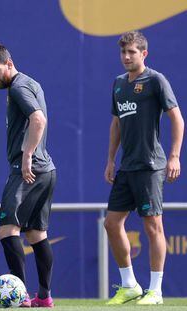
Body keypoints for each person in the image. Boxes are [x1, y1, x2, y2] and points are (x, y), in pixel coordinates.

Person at [104, 31, 184, 305]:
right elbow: (116, 124)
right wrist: (111, 159)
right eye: (123, 52)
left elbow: (177, 119)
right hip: (126, 167)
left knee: (153, 227)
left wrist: (174, 156)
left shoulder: (155, 80)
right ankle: (129, 286)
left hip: (150, 165)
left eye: (132, 52)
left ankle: (156, 291)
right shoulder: (117, 84)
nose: (126, 57)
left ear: (144, 54)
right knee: (111, 223)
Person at [0, 43, 57, 308]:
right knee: (36, 235)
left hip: (28, 170)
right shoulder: (29, 83)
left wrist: (26, 156)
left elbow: (38, 119)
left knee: (6, 230)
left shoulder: (18, 86)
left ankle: (19, 296)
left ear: (9, 63)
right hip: (45, 170)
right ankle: (44, 298)